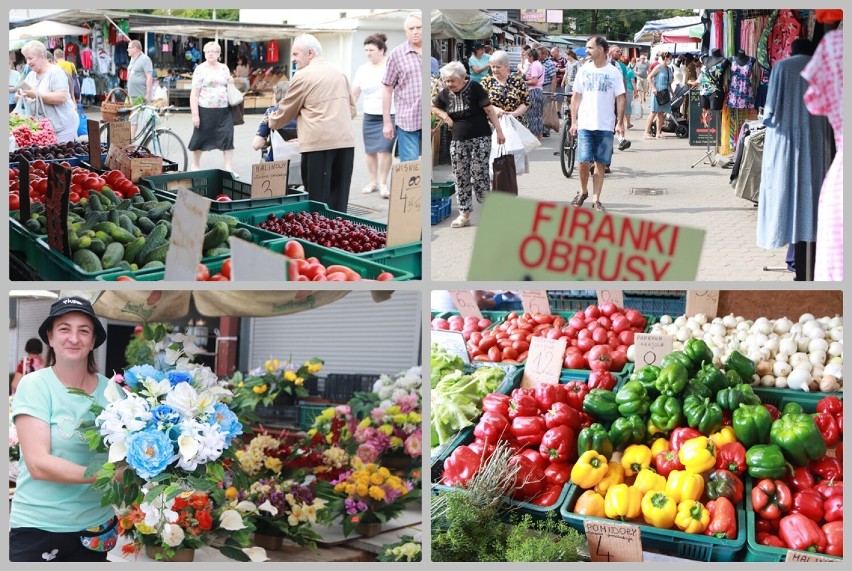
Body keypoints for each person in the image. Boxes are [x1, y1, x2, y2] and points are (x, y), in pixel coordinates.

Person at [9, 296, 116, 562]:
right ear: (51, 337)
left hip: (96, 529)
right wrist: (108, 474)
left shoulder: (114, 393)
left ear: (93, 341)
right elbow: (39, 464)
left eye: (84, 330)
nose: (74, 338)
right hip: (40, 527)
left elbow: (128, 456)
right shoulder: (35, 385)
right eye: (64, 328)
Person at [268, 34, 355, 213]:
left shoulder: (303, 76)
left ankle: (321, 238)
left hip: (318, 143)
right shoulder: (339, 72)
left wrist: (272, 122)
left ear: (309, 53)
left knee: (317, 200)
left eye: (295, 54)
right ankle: (340, 234)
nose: (292, 59)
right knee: (339, 197)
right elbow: (352, 109)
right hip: (345, 142)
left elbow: (286, 110)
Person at [431, 61, 505, 228]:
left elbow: (489, 110)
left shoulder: (475, 88)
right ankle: (464, 214)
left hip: (480, 137)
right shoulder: (445, 93)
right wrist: (445, 117)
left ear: (463, 77)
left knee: (479, 174)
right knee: (460, 175)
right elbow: (434, 107)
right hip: (458, 139)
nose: (449, 84)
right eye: (447, 81)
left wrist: (499, 131)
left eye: (452, 81)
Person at [569, 36, 626, 213]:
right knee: (583, 161)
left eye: (590, 47)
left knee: (601, 163)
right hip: (585, 123)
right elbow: (575, 97)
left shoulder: (613, 72)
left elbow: (621, 98)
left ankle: (596, 199)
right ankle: (583, 191)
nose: (587, 51)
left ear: (600, 49)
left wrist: (619, 122)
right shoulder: (583, 70)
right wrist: (573, 121)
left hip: (605, 124)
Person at [351, 33, 395, 198]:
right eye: (366, 50)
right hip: (369, 115)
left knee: (385, 149)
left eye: (371, 50)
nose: (368, 53)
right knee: (370, 151)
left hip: (390, 114)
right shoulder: (362, 69)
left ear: (381, 50)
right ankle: (372, 182)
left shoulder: (390, 66)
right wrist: (349, 109)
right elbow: (355, 93)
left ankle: (383, 183)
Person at [188, 41, 236, 175]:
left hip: (223, 110)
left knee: (227, 136)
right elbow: (194, 93)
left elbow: (229, 85)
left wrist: (231, 81)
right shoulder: (200, 69)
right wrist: (195, 115)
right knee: (200, 137)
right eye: (208, 51)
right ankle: (195, 164)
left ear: (219, 54)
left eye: (214, 51)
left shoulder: (224, 68)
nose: (211, 54)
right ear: (204, 53)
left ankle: (228, 168)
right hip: (205, 109)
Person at [16, 41, 78, 143]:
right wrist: (20, 96)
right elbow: (26, 95)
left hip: (63, 127)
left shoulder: (56, 73)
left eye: (30, 58)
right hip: (44, 129)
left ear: (42, 57)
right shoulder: (30, 76)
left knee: (59, 156)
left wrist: (36, 94)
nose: (28, 62)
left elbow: (62, 97)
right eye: (26, 58)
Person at [382, 12, 422, 162]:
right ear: (406, 32)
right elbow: (387, 89)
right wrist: (387, 123)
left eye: (419, 27)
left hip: (430, 119)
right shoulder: (397, 55)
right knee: (410, 167)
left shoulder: (431, 56)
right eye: (411, 28)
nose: (415, 31)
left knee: (427, 170)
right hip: (408, 120)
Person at [251, 80, 297, 162]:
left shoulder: (271, 112)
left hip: (277, 164)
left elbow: (257, 144)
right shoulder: (300, 111)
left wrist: (268, 142)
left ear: (276, 96)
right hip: (300, 161)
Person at [480, 50, 529, 122]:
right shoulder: (486, 82)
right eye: (493, 67)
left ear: (506, 67)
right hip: (492, 124)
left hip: (515, 123)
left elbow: (525, 102)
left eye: (498, 67)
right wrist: (494, 109)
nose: (495, 70)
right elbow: (481, 102)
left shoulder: (518, 81)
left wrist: (514, 114)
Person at [126, 40, 153, 139]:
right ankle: (131, 139)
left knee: (144, 117)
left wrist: (148, 93)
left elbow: (149, 77)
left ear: (135, 48)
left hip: (141, 94)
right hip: (132, 94)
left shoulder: (145, 59)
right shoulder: (133, 59)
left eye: (129, 47)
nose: (127, 49)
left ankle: (147, 138)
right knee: (133, 118)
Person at [644, 52, 673, 140]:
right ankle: (646, 132)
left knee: (661, 113)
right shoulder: (658, 67)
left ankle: (658, 132)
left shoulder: (668, 69)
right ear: (665, 58)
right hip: (657, 91)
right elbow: (649, 77)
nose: (671, 60)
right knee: (654, 112)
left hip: (665, 91)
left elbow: (669, 82)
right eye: (670, 58)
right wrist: (653, 88)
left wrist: (672, 91)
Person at [523, 48, 545, 140]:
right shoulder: (539, 64)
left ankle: (535, 135)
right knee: (538, 114)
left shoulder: (534, 66)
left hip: (534, 90)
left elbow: (534, 81)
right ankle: (539, 134)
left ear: (531, 56)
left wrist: (524, 82)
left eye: (528, 56)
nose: (527, 58)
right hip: (539, 90)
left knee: (532, 114)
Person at [538, 47, 556, 137]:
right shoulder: (537, 63)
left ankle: (545, 129)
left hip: (546, 86)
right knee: (538, 108)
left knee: (545, 109)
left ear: (544, 54)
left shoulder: (549, 64)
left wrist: (552, 93)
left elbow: (554, 79)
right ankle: (539, 128)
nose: (537, 55)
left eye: (539, 54)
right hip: (538, 87)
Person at [550, 47, 568, 117]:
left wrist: (558, 70)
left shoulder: (564, 60)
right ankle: (552, 111)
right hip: (552, 81)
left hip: (560, 81)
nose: (552, 54)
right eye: (551, 53)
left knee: (560, 97)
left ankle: (558, 112)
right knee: (552, 96)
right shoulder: (551, 60)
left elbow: (567, 69)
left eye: (553, 53)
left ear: (557, 52)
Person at [624, 57, 637, 129]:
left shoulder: (619, 70)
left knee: (620, 106)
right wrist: (636, 91)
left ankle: (619, 122)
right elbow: (633, 82)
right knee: (628, 106)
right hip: (629, 89)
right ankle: (628, 123)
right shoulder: (630, 71)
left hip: (621, 89)